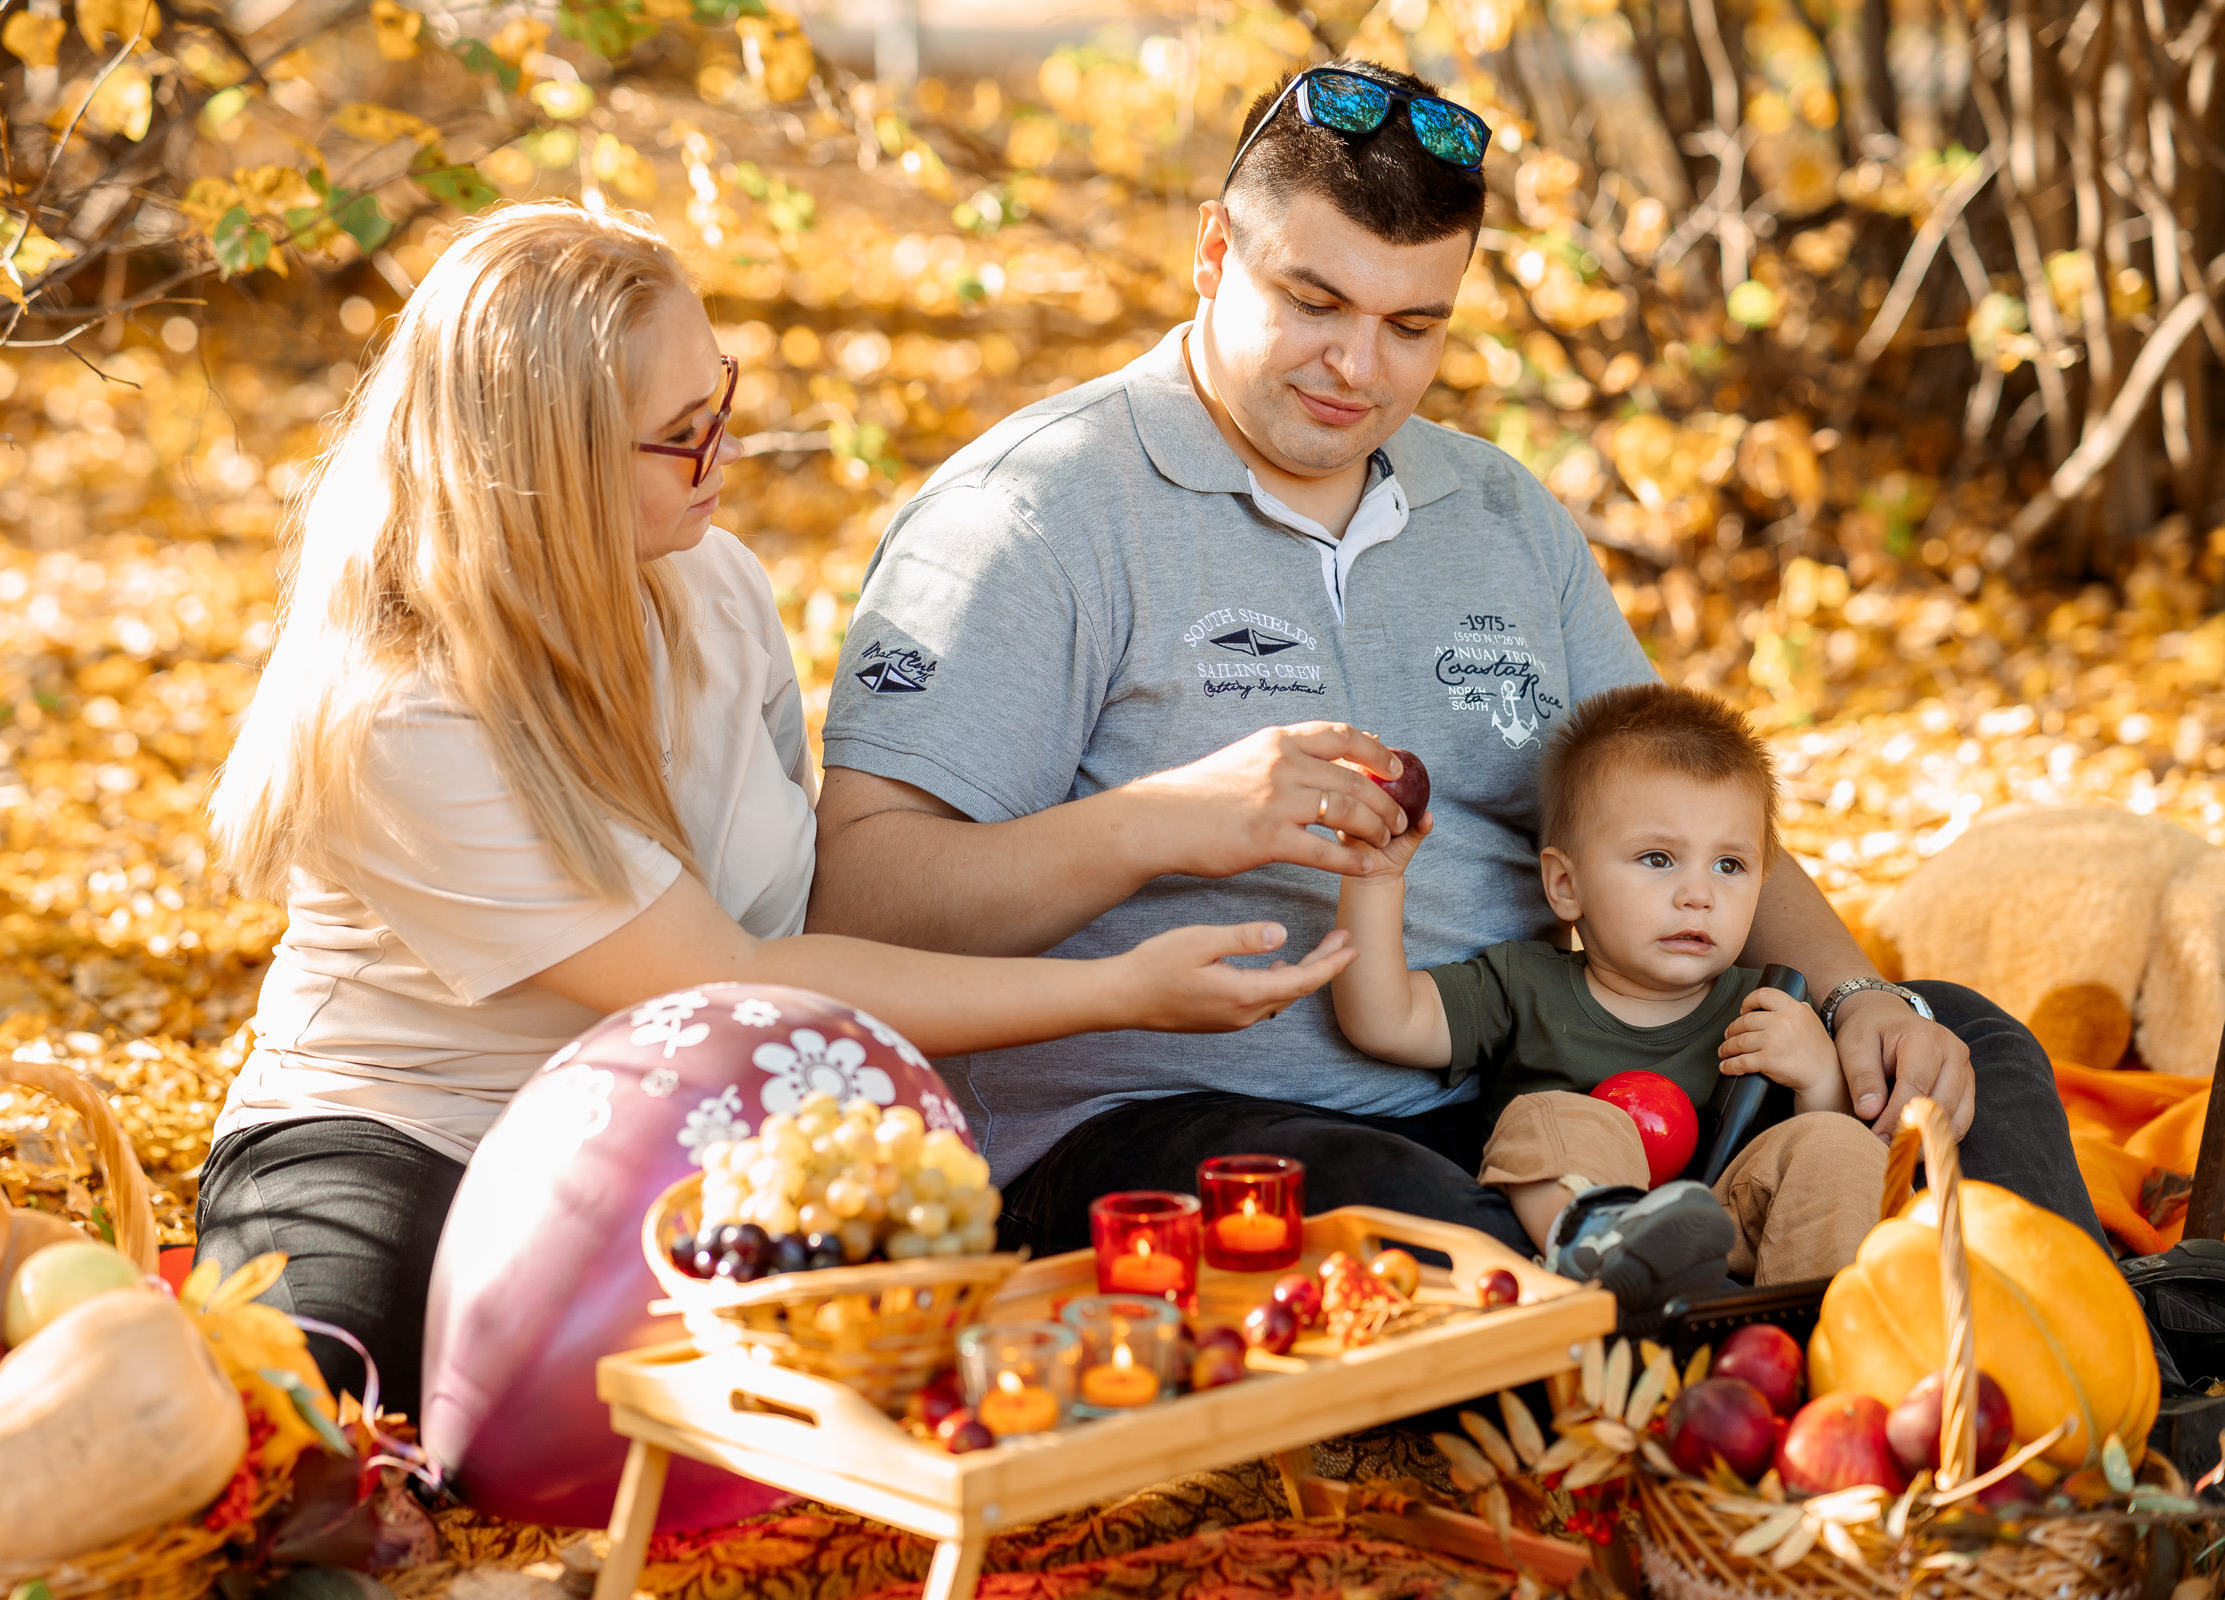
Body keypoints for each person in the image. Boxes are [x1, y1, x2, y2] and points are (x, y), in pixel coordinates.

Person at [810, 57, 2096, 1262]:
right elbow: (860, 907)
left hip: (1562, 1066)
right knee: (1431, 1227)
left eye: (1414, 325)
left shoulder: (1496, 509)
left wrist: (1859, 994)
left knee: (1960, 1043)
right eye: (1313, 304)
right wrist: (1161, 823)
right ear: (1213, 253)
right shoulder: (1032, 513)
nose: (1359, 369)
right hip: (1189, 1121)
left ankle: (2085, 1406)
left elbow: (1683, 807)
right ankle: (1737, 1401)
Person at [196, 203, 1355, 1414]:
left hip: (672, 1129)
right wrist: (1126, 991)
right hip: (410, 1127)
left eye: (723, 404)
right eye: (681, 437)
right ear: (549, 467)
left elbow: (796, 927)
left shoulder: (712, 588)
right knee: (322, 1411)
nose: (726, 458)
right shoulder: (411, 712)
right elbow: (734, 975)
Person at [1333, 684, 1886, 1323]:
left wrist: (1818, 1076)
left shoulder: (1765, 1006)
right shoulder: (1524, 987)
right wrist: (1373, 882)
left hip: (1735, 1241)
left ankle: (1833, 1330)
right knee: (1558, 1115)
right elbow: (1382, 1020)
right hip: (1591, 1243)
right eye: (1659, 859)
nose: (1698, 894)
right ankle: (1604, 1241)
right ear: (1566, 885)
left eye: (1730, 866)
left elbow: (1826, 1154)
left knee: (1831, 1142)